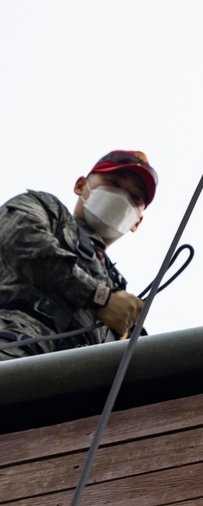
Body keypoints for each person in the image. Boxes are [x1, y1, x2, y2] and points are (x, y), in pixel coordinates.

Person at [0, 151, 156, 359]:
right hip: (13, 346)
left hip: (72, 379)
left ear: (137, 221)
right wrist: (98, 297)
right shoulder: (47, 209)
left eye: (134, 197)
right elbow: (21, 238)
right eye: (114, 183)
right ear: (81, 186)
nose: (121, 197)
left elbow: (144, 360)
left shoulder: (117, 289)